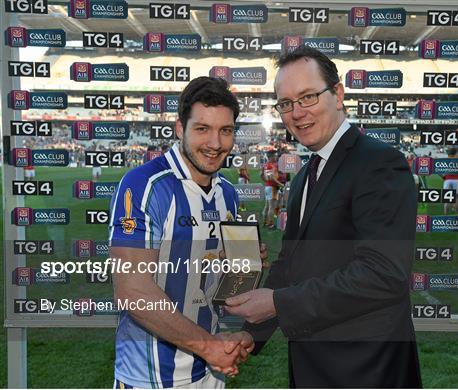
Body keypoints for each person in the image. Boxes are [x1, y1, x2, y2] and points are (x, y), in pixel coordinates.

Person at [225, 46, 421, 387]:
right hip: (314, 368)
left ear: (338, 94)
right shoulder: (305, 176)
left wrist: (277, 304)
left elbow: (383, 273)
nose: (297, 113)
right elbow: (290, 265)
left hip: (366, 371)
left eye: (308, 97)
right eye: (286, 103)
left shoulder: (378, 162)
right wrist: (251, 335)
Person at [108, 77, 254, 389]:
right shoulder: (144, 185)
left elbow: (220, 288)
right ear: (179, 128)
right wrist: (209, 347)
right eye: (202, 129)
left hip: (212, 371)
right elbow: (132, 291)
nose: (215, 143)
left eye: (225, 131)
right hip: (152, 377)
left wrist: (241, 266)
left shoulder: (227, 192)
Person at [260, 151, 283, 228]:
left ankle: (265, 222)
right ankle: (270, 223)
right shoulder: (271, 165)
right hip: (272, 187)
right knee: (271, 207)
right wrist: (280, 184)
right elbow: (272, 177)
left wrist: (266, 181)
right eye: (275, 156)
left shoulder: (265, 165)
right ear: (270, 157)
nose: (276, 157)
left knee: (267, 206)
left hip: (268, 187)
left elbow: (261, 175)